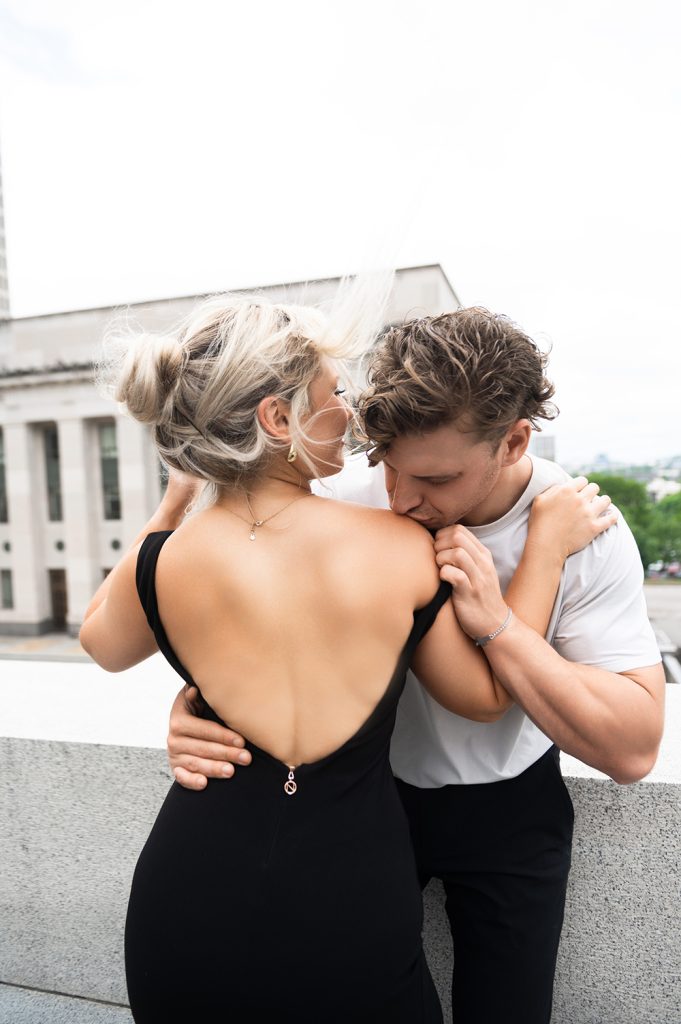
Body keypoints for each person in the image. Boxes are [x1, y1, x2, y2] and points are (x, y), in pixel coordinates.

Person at [80, 293, 611, 1023]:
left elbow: (102, 646)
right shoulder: (396, 545)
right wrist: (544, 552)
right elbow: (486, 698)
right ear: (277, 418)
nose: (351, 414)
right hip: (348, 893)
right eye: (333, 394)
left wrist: (173, 507)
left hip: (187, 890)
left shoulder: (162, 561)